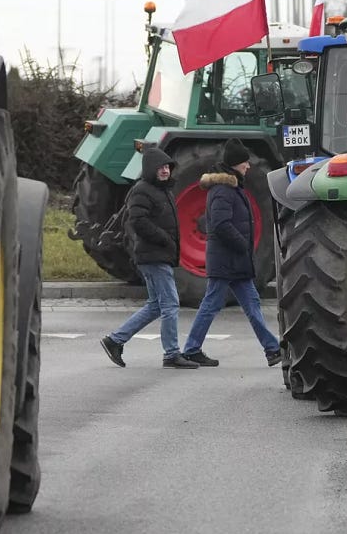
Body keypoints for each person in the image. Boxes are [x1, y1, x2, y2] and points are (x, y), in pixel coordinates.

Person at [181, 139, 283, 367]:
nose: (248, 166)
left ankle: (272, 349)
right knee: (212, 305)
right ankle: (191, 349)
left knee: (252, 303)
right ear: (236, 164)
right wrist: (242, 245)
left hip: (234, 261)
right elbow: (219, 224)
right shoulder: (223, 191)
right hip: (227, 260)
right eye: (245, 162)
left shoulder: (232, 188)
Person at [100, 146, 200, 369]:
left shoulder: (163, 191)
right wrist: (164, 239)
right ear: (150, 169)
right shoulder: (142, 190)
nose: (165, 171)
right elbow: (138, 221)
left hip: (160, 255)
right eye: (160, 167)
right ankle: (172, 354)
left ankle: (114, 340)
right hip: (152, 256)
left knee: (156, 305)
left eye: (167, 167)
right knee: (171, 304)